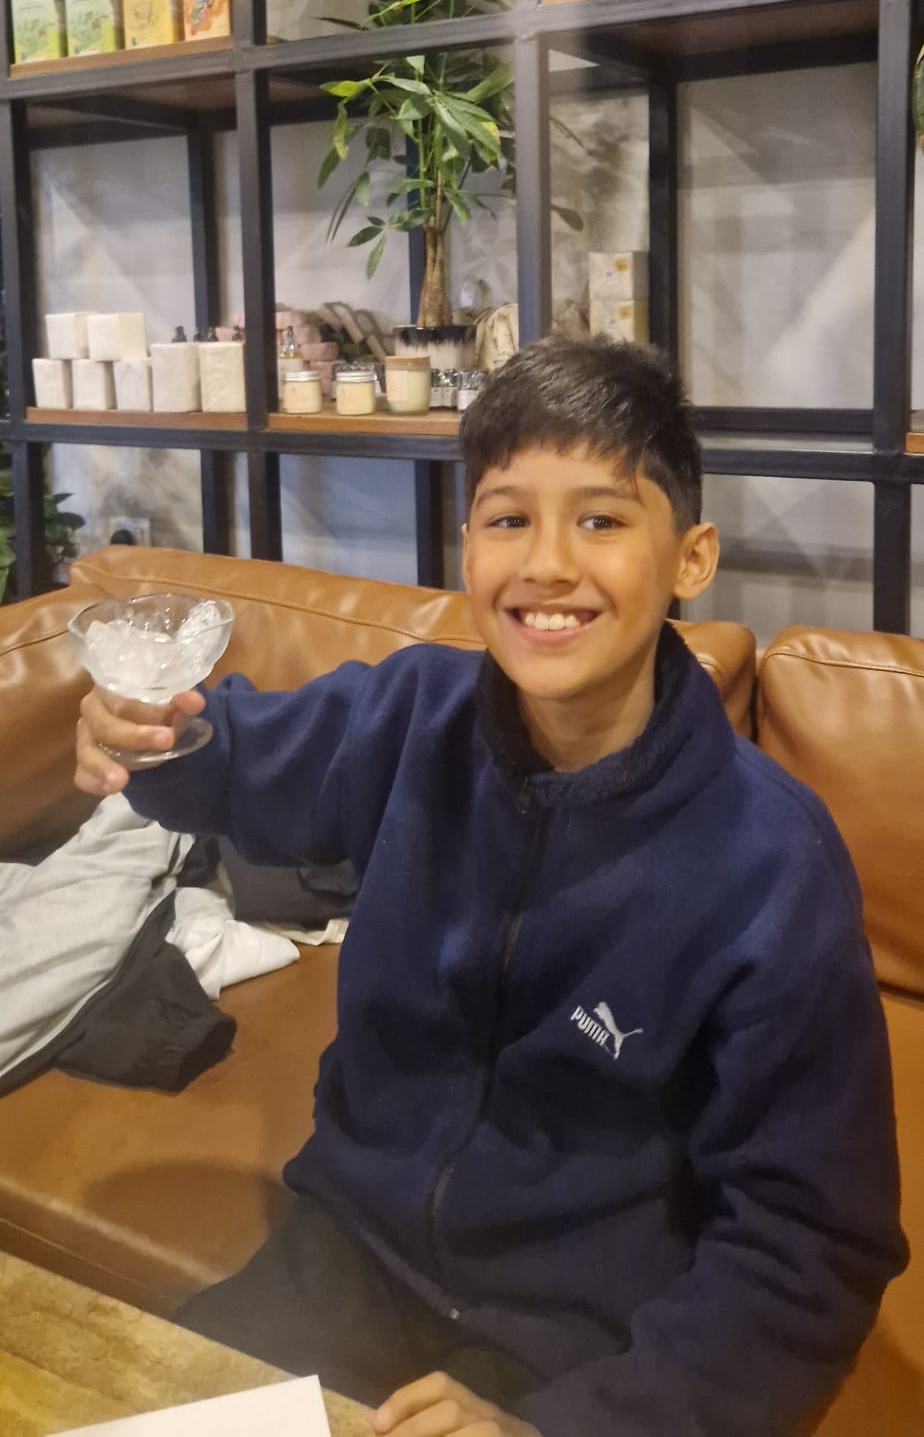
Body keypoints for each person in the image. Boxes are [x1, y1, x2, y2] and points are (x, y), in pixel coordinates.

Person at [75, 337, 906, 1437]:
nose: (546, 565)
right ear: (465, 544)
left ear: (691, 556)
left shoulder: (770, 862)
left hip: (586, 1343)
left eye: (601, 519)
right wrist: (153, 738)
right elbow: (236, 759)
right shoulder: (414, 714)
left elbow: (812, 1244)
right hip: (350, 1254)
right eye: (508, 517)